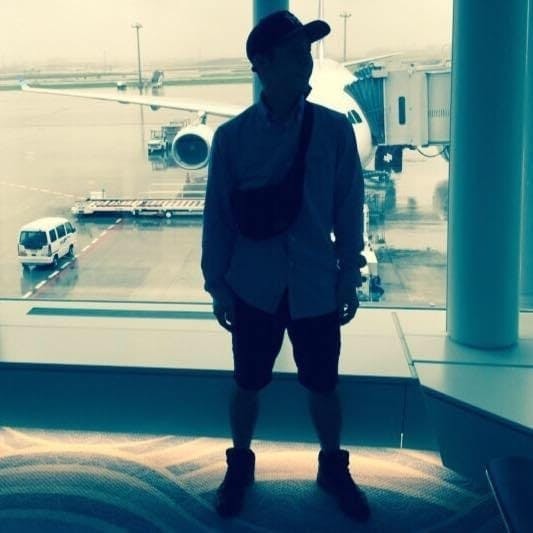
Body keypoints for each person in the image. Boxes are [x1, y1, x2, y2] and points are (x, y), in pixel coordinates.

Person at [201, 10, 370, 522]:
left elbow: (349, 209)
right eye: (296, 53)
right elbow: (218, 218)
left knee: (324, 383)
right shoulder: (232, 139)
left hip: (316, 284)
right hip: (254, 287)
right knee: (248, 381)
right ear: (264, 64)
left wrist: (349, 275)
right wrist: (217, 285)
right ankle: (240, 464)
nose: (306, 61)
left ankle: (333, 466)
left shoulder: (334, 131)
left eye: (307, 52)